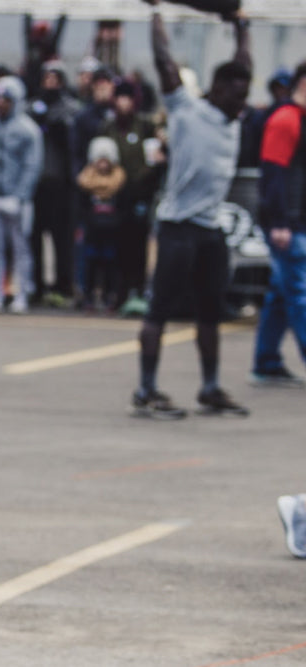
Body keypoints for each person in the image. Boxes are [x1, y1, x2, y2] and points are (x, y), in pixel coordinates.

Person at [130, 0, 252, 419]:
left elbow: (243, 63)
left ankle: (210, 386)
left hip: (210, 229)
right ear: (217, 90)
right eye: (237, 96)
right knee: (159, 311)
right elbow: (164, 60)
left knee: (210, 313)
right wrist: (156, 12)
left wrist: (240, 27)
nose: (242, 104)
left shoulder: (231, 119)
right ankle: (146, 390)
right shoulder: (186, 109)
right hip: (178, 227)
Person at [248, 62, 306, 388]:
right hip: (288, 224)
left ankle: (266, 360)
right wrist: (280, 222)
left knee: (282, 293)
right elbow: (273, 174)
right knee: (299, 293)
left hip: (296, 221)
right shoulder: (285, 120)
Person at [0, 75, 43, 314]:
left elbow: (32, 166)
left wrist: (21, 196)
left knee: (21, 247)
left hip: (17, 199)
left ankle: (21, 292)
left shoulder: (29, 131)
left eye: (5, 99)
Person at [100, 79, 163, 316]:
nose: (123, 102)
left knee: (138, 246)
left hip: (141, 193)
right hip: (116, 192)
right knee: (117, 247)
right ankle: (119, 293)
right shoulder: (109, 126)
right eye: (120, 97)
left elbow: (156, 155)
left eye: (128, 97)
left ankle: (138, 291)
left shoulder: (145, 125)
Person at [27, 60, 80, 307]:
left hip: (62, 183)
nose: (50, 84)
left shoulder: (70, 109)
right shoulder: (33, 108)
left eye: (54, 79)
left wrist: (56, 126)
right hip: (38, 183)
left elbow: (73, 145)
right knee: (35, 238)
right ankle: (36, 286)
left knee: (62, 240)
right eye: (46, 79)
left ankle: (63, 286)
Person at [77, 136, 126, 311]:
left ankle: (109, 296)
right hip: (92, 230)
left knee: (110, 264)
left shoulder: (119, 180)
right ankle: (87, 295)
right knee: (89, 263)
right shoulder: (85, 180)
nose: (103, 165)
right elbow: (81, 207)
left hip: (111, 230)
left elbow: (123, 207)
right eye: (100, 160)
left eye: (106, 160)